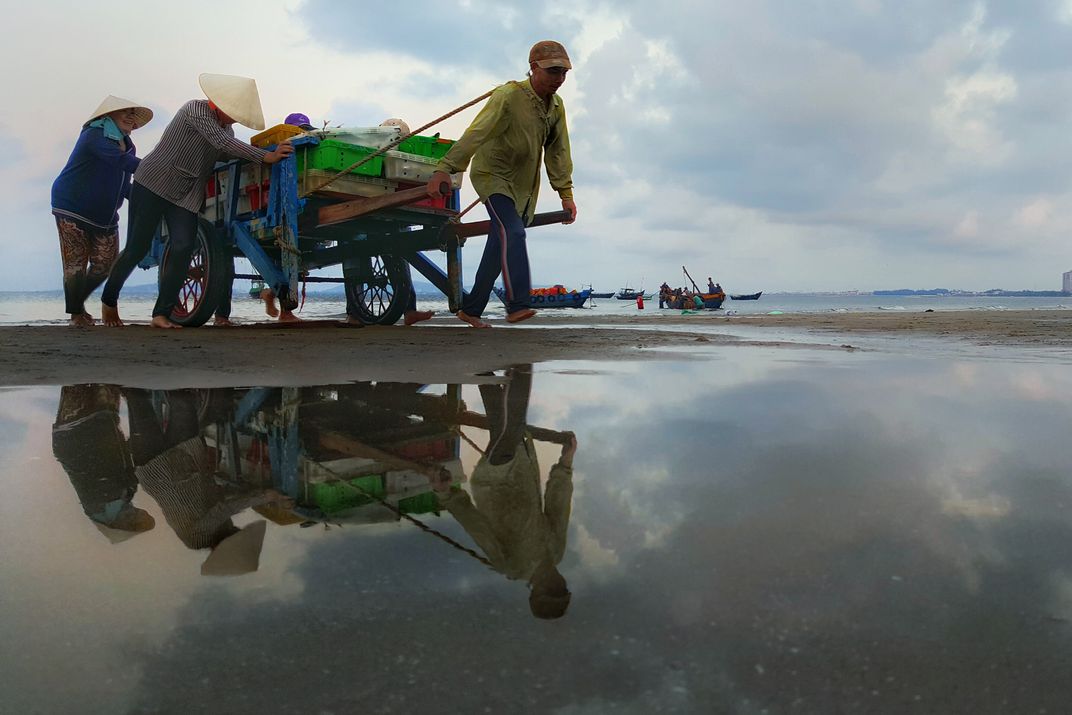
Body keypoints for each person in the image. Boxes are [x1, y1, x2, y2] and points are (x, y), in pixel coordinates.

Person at [100, 74, 294, 328]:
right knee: (137, 248)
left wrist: (266, 153)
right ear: (221, 105)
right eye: (233, 113)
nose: (234, 119)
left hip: (185, 195)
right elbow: (221, 142)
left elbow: (223, 150)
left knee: (183, 246)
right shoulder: (195, 109)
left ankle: (161, 314)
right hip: (152, 183)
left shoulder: (227, 129)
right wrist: (264, 157)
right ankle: (109, 301)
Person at [426, 40, 577, 329]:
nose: (559, 79)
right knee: (513, 231)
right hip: (492, 175)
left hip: (523, 187)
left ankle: (471, 310)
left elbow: (558, 151)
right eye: (552, 72)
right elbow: (477, 132)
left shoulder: (556, 106)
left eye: (563, 73)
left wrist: (565, 193)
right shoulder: (508, 96)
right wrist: (445, 169)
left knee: (498, 245)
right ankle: (518, 303)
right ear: (534, 68)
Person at [435, 365, 576, 619]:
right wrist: (565, 464)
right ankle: (485, 372)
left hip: (495, 484)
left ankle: (521, 368)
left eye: (551, 590)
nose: (555, 583)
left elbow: (477, 527)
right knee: (503, 425)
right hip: (523, 470)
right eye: (561, 588)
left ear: (535, 592)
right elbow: (558, 506)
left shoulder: (510, 565)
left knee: (510, 428)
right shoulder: (556, 552)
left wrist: (448, 495)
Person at [51, 96, 153, 327]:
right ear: (106, 117)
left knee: (105, 264)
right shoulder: (94, 136)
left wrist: (146, 194)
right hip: (72, 206)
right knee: (76, 262)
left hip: (105, 215)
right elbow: (122, 163)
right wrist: (157, 169)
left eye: (132, 113)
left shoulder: (128, 144)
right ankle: (76, 315)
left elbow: (123, 182)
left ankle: (77, 304)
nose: (130, 116)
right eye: (124, 112)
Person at [51, 383, 155, 540]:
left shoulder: (104, 502)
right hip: (86, 430)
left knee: (88, 378)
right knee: (97, 378)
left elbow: (111, 462)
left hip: (81, 432)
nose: (136, 513)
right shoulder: (120, 496)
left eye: (133, 518)